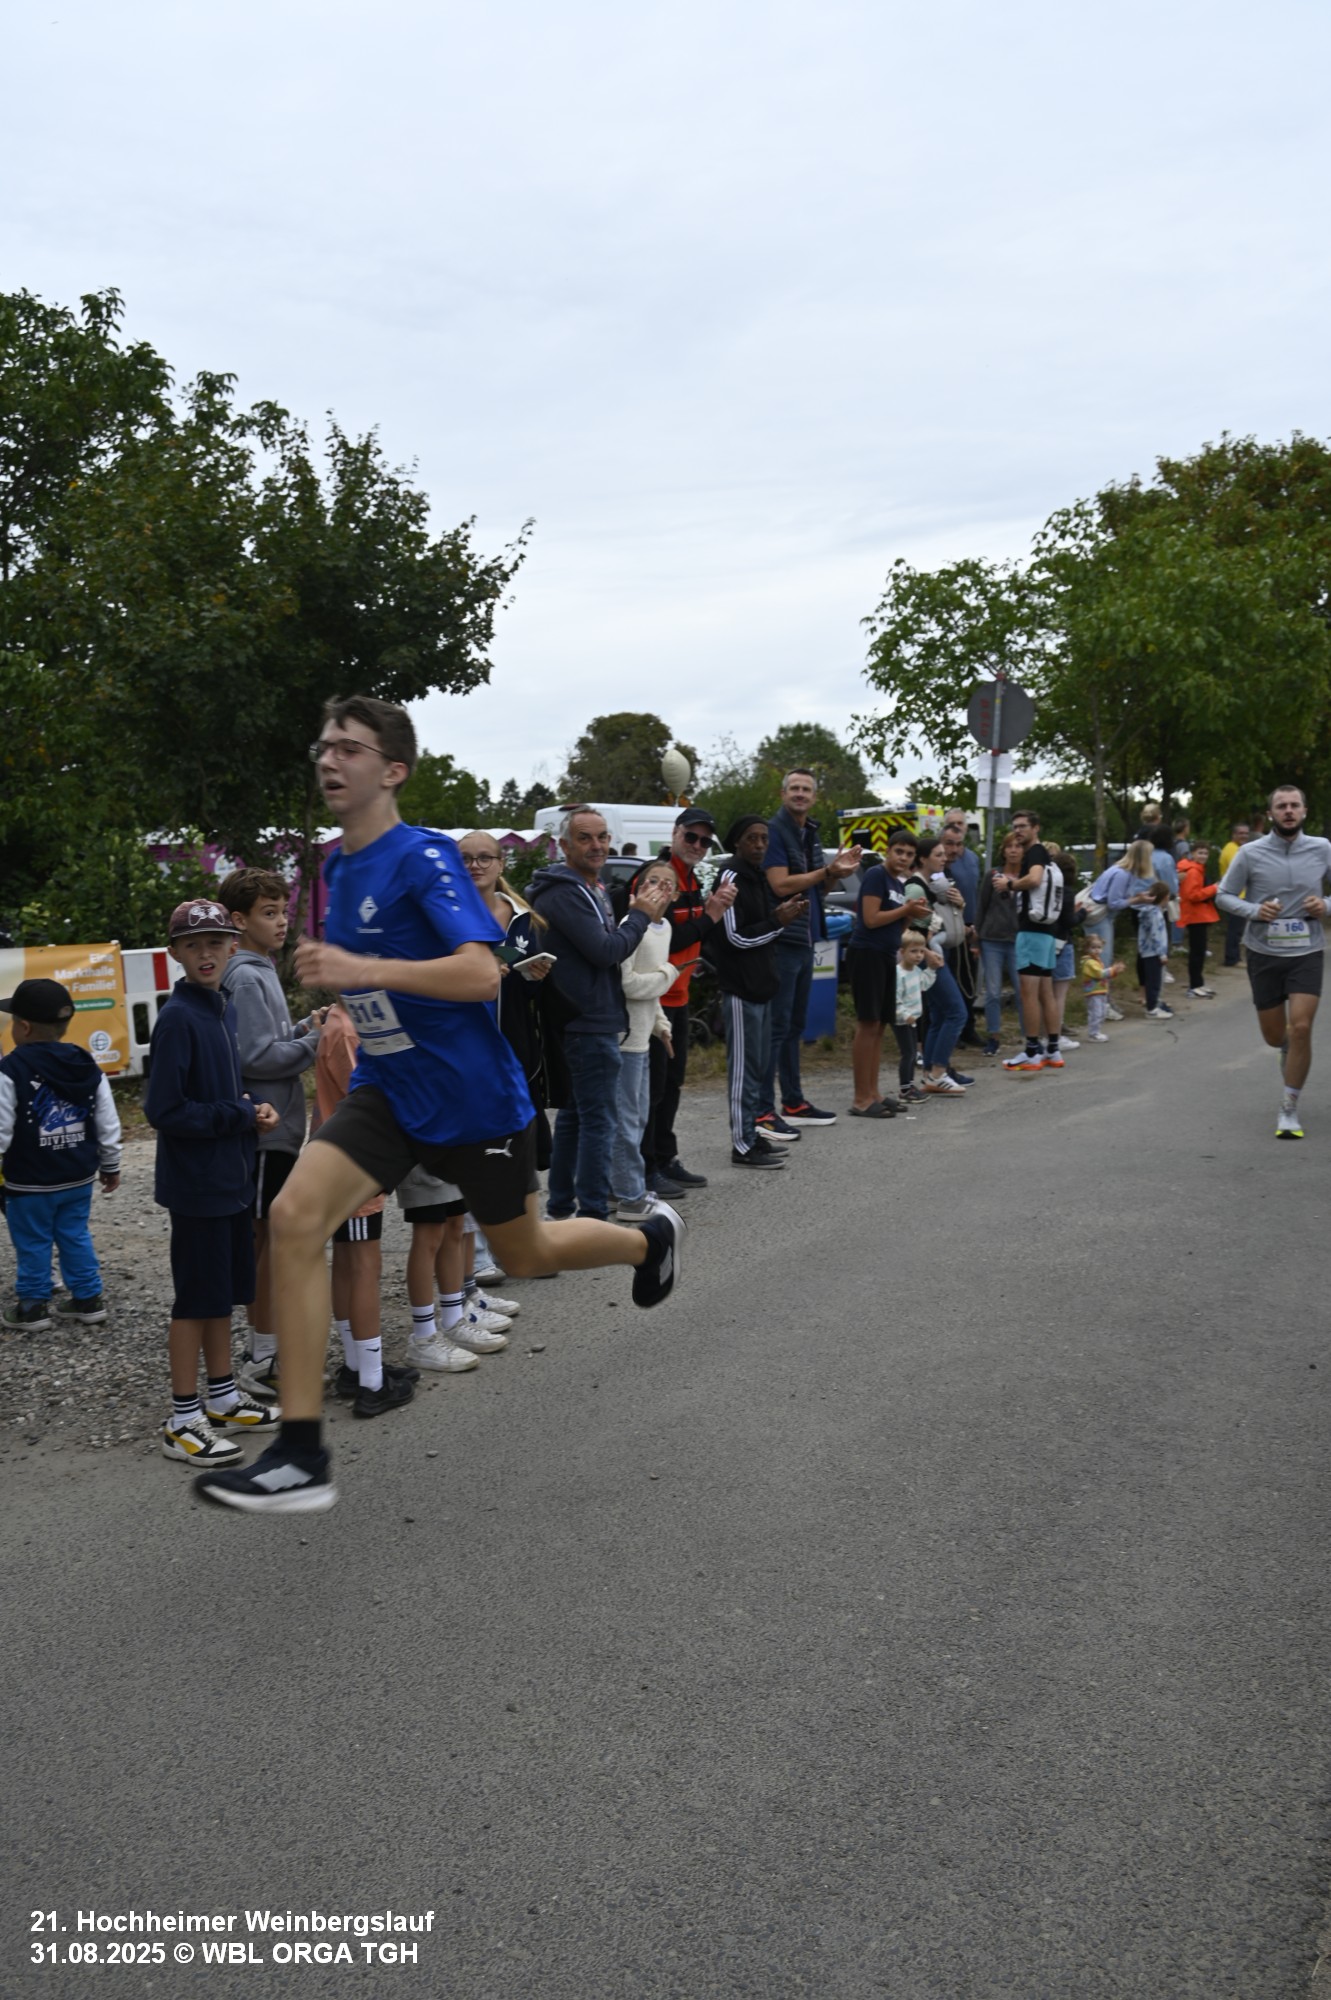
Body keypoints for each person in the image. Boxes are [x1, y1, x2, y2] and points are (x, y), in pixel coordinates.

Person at [194, 700, 683, 1514]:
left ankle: (646, 1240)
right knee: (292, 1218)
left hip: (471, 1098)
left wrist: (361, 969)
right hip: (389, 1089)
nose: (329, 759)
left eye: (349, 748)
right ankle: (300, 1455)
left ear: (392, 771)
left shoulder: (424, 858)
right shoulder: (340, 870)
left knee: (525, 1249)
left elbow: (480, 976)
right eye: (324, 746)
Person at [143, 900, 282, 1464]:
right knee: (195, 1301)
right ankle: (182, 1419)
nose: (206, 953)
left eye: (216, 942)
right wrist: (239, 1115)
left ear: (233, 945)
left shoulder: (220, 1006)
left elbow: (221, 1092)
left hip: (229, 1176)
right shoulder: (179, 1017)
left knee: (223, 1294)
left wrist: (251, 1106)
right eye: (193, 944)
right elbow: (164, 1110)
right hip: (197, 1184)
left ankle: (222, 1398)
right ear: (174, 952)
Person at [528, 809, 674, 1221]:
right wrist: (640, 915)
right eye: (585, 838)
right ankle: (593, 1216)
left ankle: (561, 1210)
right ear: (564, 845)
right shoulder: (565, 894)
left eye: (603, 837)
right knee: (599, 1122)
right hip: (586, 1021)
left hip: (591, 1018)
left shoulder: (590, 887)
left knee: (577, 1117)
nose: (597, 846)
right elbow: (606, 951)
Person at [217, 867, 325, 1401]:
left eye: (283, 911)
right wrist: (316, 1043)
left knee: (268, 1238)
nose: (282, 922)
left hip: (277, 1131)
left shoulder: (258, 969)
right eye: (269, 913)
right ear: (238, 921)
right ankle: (260, 1358)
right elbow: (255, 1057)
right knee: (266, 1240)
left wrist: (304, 1029)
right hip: (264, 1134)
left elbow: (269, 1040)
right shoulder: (245, 975)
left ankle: (265, 1348)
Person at [312, 1001, 419, 1416]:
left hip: (338, 1160)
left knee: (347, 1263)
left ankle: (357, 1366)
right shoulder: (348, 1030)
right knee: (364, 1267)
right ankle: (372, 1383)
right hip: (354, 1164)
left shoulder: (340, 1022)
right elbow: (366, 1096)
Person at [0, 978, 122, 1331]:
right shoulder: (86, 1063)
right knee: (74, 1234)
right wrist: (110, 1164)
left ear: (23, 1027)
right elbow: (107, 1121)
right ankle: (88, 1299)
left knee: (33, 1241)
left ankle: (33, 1306)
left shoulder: (11, 1070)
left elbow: (1, 1127)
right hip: (77, 1178)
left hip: (29, 1183)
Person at [1216, 785, 1331, 1140]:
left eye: (1295, 805)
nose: (1288, 811)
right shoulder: (1250, 852)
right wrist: (1255, 910)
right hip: (1264, 952)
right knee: (1274, 1036)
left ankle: (1289, 1107)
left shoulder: (1322, 848)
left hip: (1307, 950)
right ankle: (1284, 1048)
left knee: (1301, 1027)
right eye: (1281, 806)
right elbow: (1223, 895)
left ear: (1305, 811)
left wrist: (1325, 906)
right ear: (1271, 814)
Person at [756, 770, 861, 1134]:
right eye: (795, 788)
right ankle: (762, 1110)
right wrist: (825, 871)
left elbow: (821, 889)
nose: (800, 794)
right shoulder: (775, 832)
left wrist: (835, 873)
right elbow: (780, 884)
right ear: (783, 793)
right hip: (783, 939)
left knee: (794, 1025)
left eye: (806, 789)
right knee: (777, 1026)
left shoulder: (810, 833)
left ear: (815, 797)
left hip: (807, 939)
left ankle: (793, 1102)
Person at [457, 832, 566, 1171]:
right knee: (470, 1156)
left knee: (515, 1156)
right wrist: (478, 971)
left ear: (500, 864)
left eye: (484, 857)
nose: (475, 865)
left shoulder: (523, 919)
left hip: (512, 1047)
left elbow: (527, 993)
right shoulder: (444, 916)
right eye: (465, 859)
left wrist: (534, 977)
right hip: (462, 1046)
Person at [702, 814, 809, 1158]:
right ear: (737, 842)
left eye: (764, 838)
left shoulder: (756, 875)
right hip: (741, 989)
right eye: (752, 838)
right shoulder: (731, 877)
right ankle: (743, 1143)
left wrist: (780, 916)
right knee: (743, 1071)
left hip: (761, 987)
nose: (760, 844)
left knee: (759, 1067)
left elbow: (761, 927)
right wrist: (778, 922)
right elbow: (733, 937)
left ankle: (751, 1132)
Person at [643, 808, 737, 1195]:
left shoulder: (693, 880)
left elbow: (697, 938)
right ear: (675, 833)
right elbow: (663, 939)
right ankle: (644, 1168)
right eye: (691, 836)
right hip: (653, 999)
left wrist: (715, 913)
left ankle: (665, 1157)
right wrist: (711, 915)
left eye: (704, 840)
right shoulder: (659, 877)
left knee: (672, 1083)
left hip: (678, 994)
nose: (697, 845)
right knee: (652, 1089)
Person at [611, 857, 680, 1218]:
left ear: (676, 895)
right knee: (626, 1118)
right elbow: (626, 983)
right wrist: (669, 975)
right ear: (638, 887)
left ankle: (622, 1186)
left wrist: (662, 1026)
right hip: (624, 1037)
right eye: (653, 881)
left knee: (638, 1116)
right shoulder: (630, 924)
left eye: (668, 884)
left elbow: (651, 994)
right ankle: (629, 1194)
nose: (660, 889)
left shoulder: (663, 928)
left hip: (643, 1036)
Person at [846, 828, 918, 1113]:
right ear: (888, 851)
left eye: (909, 854)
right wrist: (905, 910)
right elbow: (871, 919)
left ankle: (873, 1093)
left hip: (886, 955)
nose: (903, 858)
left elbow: (896, 928)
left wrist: (910, 913)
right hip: (867, 954)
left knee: (879, 1025)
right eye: (899, 851)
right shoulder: (877, 875)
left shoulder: (899, 884)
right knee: (868, 1024)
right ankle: (860, 1099)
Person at [996, 810, 1065, 1074]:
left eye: (1023, 826)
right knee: (1046, 992)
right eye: (1015, 826)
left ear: (1036, 828)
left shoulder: (1035, 853)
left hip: (1031, 931)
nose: (1018, 831)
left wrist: (1009, 885)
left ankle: (1032, 1051)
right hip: (1047, 931)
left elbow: (1034, 880)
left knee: (1028, 994)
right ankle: (1053, 1049)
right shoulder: (1044, 855)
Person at [976, 830, 1024, 1055]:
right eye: (1009, 846)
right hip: (992, 939)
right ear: (1003, 851)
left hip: (1018, 940)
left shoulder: (1028, 877)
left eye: (1018, 846)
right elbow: (982, 906)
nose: (1013, 850)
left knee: (1022, 990)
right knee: (993, 992)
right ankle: (993, 1037)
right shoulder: (993, 875)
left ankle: (1029, 1036)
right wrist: (976, 937)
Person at [939, 821, 983, 1048]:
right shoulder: (935, 871)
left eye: (958, 845)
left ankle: (967, 1028)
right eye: (949, 844)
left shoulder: (969, 861)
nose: (954, 850)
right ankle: (951, 1031)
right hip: (944, 935)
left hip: (966, 929)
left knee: (967, 980)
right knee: (950, 983)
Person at [893, 930, 935, 1098]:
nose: (918, 955)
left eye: (921, 951)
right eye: (913, 951)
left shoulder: (916, 971)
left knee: (912, 1054)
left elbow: (924, 984)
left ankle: (909, 1086)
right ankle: (905, 1089)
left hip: (912, 1019)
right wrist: (904, 1015)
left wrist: (932, 969)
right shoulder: (898, 974)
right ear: (902, 952)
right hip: (902, 1020)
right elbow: (894, 999)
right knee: (908, 1054)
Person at [1177, 841, 1219, 997]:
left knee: (1199, 952)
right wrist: (1213, 888)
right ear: (1193, 853)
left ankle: (1198, 983)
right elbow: (1193, 895)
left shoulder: (1196, 869)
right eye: (1200, 853)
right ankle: (1194, 986)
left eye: (1206, 853)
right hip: (1195, 916)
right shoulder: (1194, 871)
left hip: (1198, 915)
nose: (1203, 856)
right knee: (1197, 952)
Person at [1136, 882, 1174, 1018]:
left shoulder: (1147, 911)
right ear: (1165, 897)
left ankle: (1155, 1003)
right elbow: (1156, 935)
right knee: (1154, 981)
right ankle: (1152, 1009)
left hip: (1145, 950)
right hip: (1153, 952)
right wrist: (1162, 954)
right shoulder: (1155, 914)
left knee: (1152, 980)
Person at [1218, 821, 1251, 966]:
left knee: (1237, 929)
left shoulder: (1237, 848)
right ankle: (1232, 958)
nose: (1244, 836)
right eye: (1240, 833)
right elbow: (1241, 870)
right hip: (1236, 895)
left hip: (1239, 894)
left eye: (1246, 833)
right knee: (1235, 929)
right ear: (1233, 835)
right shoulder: (1232, 850)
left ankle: (1234, 957)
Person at [1080, 935, 1123, 1042]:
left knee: (1102, 1013)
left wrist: (1114, 971)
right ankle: (1093, 1034)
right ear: (1087, 948)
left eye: (1099, 947)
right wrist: (1113, 969)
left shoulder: (1097, 961)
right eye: (1093, 947)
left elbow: (1104, 975)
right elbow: (1099, 974)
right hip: (1093, 992)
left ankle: (1097, 1032)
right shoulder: (1088, 962)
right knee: (1096, 1013)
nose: (1096, 950)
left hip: (1101, 991)